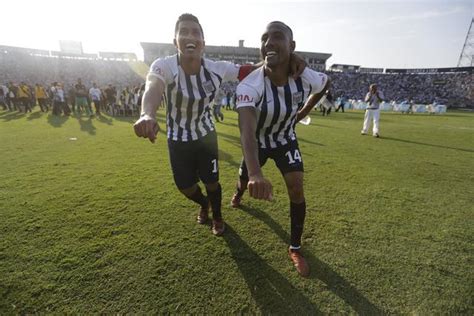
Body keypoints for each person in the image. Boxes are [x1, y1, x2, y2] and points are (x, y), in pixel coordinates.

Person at [134, 14, 306, 237]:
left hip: (206, 135)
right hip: (177, 138)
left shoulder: (217, 69)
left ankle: (217, 216)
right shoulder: (163, 65)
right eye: (184, 32)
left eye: (196, 32)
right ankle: (203, 204)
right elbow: (153, 87)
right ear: (175, 40)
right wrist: (146, 114)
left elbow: (257, 68)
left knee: (212, 182)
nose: (190, 36)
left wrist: (289, 57)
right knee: (185, 187)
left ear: (203, 44)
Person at [230, 21, 329, 277]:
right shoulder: (250, 84)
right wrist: (254, 173)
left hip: (285, 138)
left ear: (291, 46)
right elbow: (247, 131)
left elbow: (324, 83)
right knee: (243, 179)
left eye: (277, 37)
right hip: (259, 141)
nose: (269, 43)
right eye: (264, 38)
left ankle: (295, 247)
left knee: (296, 186)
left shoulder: (303, 76)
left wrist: (304, 111)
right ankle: (238, 193)